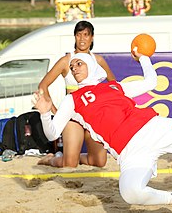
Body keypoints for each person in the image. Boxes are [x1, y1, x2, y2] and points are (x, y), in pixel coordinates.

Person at [33, 50, 172, 210]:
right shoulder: (73, 99)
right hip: (129, 151)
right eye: (72, 67)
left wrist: (144, 58)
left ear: (91, 64)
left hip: (151, 128)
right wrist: (44, 112)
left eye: (78, 63)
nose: (74, 68)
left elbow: (151, 82)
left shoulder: (114, 86)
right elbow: (52, 133)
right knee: (130, 193)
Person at [38, 20, 115, 168]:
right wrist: (55, 111)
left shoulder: (97, 60)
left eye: (86, 35)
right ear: (74, 37)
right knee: (69, 165)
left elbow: (114, 85)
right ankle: (50, 159)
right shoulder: (67, 60)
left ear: (92, 38)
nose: (82, 39)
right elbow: (43, 85)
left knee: (99, 162)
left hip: (93, 116)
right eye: (79, 35)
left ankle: (72, 157)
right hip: (73, 118)